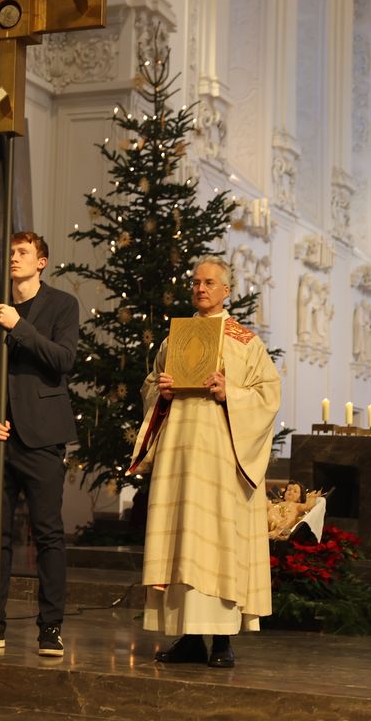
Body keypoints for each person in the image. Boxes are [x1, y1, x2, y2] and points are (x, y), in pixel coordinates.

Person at [130, 255, 280, 669]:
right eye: (195, 282)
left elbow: (269, 397)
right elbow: (150, 387)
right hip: (180, 462)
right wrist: (159, 390)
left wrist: (231, 391)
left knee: (219, 546)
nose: (200, 288)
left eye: (209, 282)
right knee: (184, 546)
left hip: (221, 464)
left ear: (226, 290)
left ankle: (221, 643)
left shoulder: (245, 341)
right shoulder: (172, 340)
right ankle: (190, 638)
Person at [0, 231, 79, 657]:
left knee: (47, 534)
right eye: (10, 252)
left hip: (42, 437)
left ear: (41, 262)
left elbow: (64, 360)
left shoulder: (62, 305)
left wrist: (20, 327)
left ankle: (51, 626)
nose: (14, 258)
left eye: (23, 253)